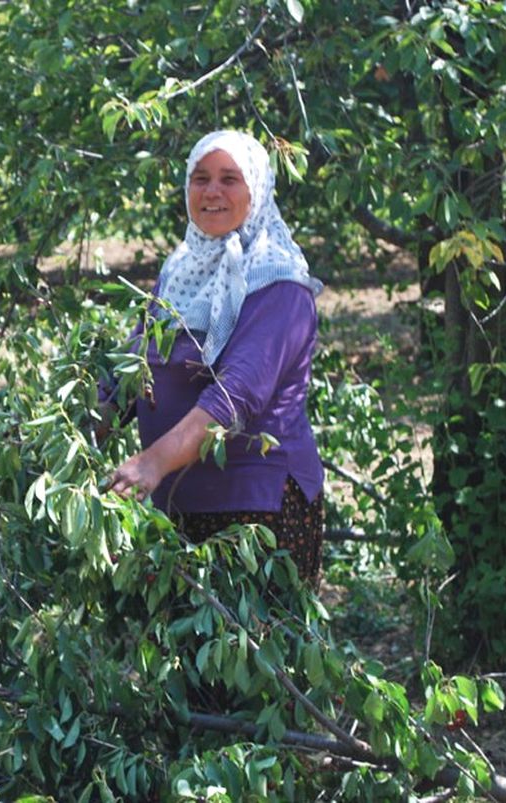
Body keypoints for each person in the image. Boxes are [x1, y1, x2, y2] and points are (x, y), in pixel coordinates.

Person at [106, 129, 326, 584]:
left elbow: (236, 395)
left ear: (257, 190)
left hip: (257, 512)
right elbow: (132, 371)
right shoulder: (179, 274)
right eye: (200, 178)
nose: (211, 192)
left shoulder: (280, 283)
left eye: (230, 179)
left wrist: (150, 463)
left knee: (253, 647)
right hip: (177, 504)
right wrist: (75, 429)